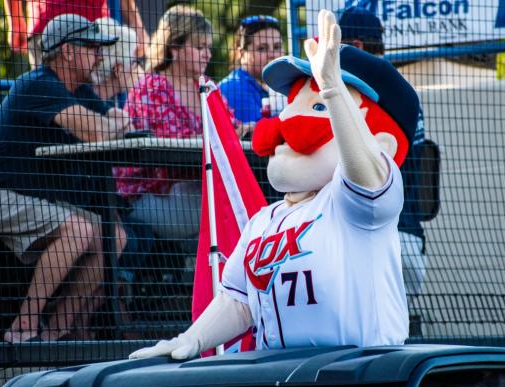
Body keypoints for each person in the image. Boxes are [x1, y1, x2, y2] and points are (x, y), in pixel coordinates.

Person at [129, 10, 419, 360]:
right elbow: (239, 300)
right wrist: (192, 339)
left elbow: (366, 169)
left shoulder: (358, 206)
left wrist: (333, 90)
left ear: (383, 143)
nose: (288, 120)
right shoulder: (265, 220)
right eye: (295, 103)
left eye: (314, 106)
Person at [0, 14, 130, 343]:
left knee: (115, 236)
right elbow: (102, 131)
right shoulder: (38, 82)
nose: (100, 54)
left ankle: (57, 329)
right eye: (92, 47)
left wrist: (112, 120)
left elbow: (117, 120)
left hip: (31, 199)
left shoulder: (80, 90)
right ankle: (25, 323)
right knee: (80, 230)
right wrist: (111, 123)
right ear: (68, 51)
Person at [114, 5, 238, 251]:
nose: (207, 55)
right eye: (199, 47)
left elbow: (229, 127)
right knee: (236, 207)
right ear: (174, 48)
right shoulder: (151, 86)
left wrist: (243, 130)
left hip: (195, 190)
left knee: (242, 200)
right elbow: (170, 144)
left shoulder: (207, 86)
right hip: (152, 195)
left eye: (208, 48)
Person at [340, 5, 428, 296]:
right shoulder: (404, 92)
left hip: (374, 241)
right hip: (411, 242)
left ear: (355, 47)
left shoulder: (356, 94)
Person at [4, 0, 149, 68]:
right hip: (48, 27)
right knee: (48, 93)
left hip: (96, 30)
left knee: (95, 100)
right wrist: (15, 21)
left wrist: (136, 24)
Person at [219, 15, 285, 124]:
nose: (272, 55)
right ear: (242, 54)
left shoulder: (284, 85)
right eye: (262, 48)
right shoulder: (233, 88)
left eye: (277, 47)